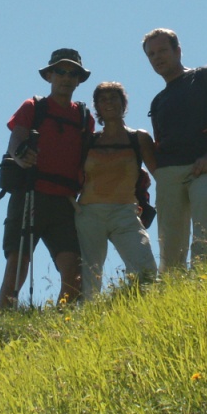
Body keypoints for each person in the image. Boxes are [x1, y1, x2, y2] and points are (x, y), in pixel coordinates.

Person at [0, 48, 94, 309]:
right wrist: (20, 155)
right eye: (60, 71)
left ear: (79, 80)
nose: (66, 78)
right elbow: (16, 139)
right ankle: (4, 321)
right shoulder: (33, 106)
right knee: (18, 264)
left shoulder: (84, 117)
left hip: (65, 202)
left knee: (74, 270)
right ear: (49, 76)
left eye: (73, 73)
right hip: (30, 194)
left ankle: (62, 320)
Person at [142, 28, 207, 271]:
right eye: (151, 54)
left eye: (162, 50)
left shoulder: (205, 76)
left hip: (206, 165)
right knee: (170, 237)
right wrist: (160, 175)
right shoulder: (158, 100)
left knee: (204, 199)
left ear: (178, 51)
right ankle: (173, 284)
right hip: (169, 173)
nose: (157, 57)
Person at [75, 82, 159, 300]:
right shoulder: (89, 140)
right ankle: (88, 315)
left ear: (124, 103)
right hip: (89, 213)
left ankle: (147, 308)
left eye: (114, 98)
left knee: (145, 268)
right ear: (97, 107)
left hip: (125, 212)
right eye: (103, 100)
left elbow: (158, 173)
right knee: (89, 273)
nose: (109, 103)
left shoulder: (139, 138)